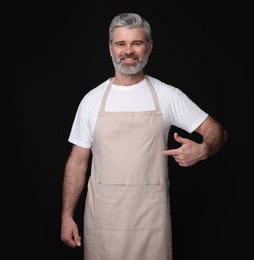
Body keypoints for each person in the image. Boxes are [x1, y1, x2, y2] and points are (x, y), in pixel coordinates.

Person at [60, 12, 228, 260]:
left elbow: (217, 132)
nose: (128, 51)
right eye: (121, 44)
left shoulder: (167, 96)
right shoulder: (92, 100)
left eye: (136, 43)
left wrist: (203, 149)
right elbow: (78, 161)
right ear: (110, 49)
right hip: (103, 223)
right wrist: (66, 216)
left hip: (151, 223)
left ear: (149, 46)